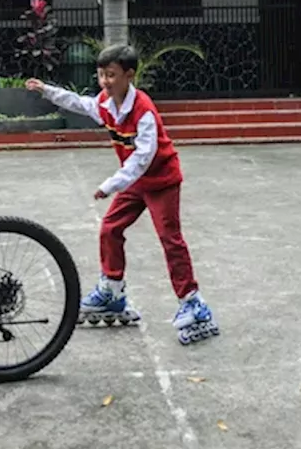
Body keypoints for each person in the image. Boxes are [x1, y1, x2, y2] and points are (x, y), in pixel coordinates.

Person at [25, 44, 218, 345]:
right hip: (135, 182)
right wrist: (46, 90)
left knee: (170, 239)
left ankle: (193, 302)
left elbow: (143, 157)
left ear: (130, 75)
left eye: (111, 75)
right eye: (101, 75)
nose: (104, 81)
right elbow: (79, 102)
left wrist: (110, 184)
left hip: (161, 181)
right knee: (110, 229)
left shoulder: (144, 112)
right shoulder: (105, 104)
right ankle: (112, 291)